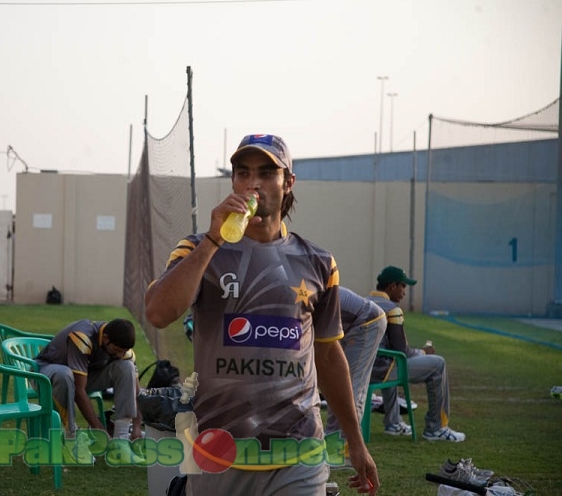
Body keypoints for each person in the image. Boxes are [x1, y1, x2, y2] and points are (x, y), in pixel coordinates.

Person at [145, 134, 379, 496]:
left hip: (298, 452)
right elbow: (158, 313)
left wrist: (355, 441)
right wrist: (213, 239)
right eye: (242, 173)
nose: (253, 183)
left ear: (288, 183)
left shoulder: (319, 263)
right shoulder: (198, 248)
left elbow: (330, 357)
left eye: (267, 173)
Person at [368, 265, 466, 442]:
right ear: (391, 286)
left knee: (388, 360)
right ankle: (436, 428)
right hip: (381, 372)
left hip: (359, 370)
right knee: (438, 364)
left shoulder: (362, 302)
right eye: (403, 286)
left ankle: (393, 423)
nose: (404, 292)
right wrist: (423, 352)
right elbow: (402, 352)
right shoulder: (392, 309)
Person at [34, 318, 143, 442]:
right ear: (106, 338)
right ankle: (72, 435)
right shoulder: (83, 336)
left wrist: (137, 427)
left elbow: (137, 392)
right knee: (64, 374)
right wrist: (101, 431)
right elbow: (79, 391)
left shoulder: (121, 349)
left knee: (127, 367)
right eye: (117, 350)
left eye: (123, 352)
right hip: (46, 374)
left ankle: (121, 439)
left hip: (80, 377)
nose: (120, 355)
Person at [325, 287, 387, 436]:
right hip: (345, 327)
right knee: (336, 385)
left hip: (368, 322)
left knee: (351, 387)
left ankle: (347, 445)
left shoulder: (302, 293)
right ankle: (332, 438)